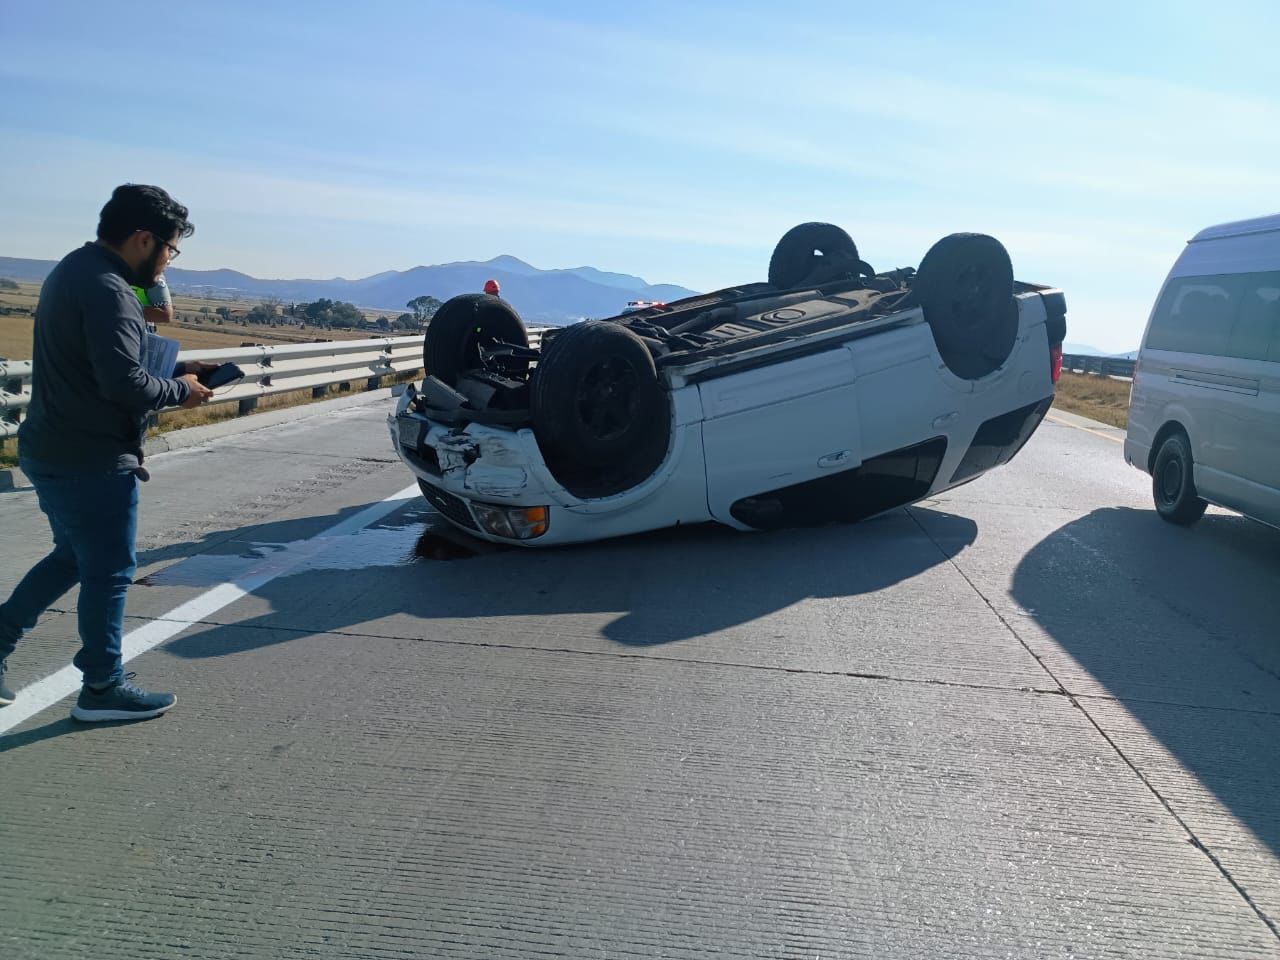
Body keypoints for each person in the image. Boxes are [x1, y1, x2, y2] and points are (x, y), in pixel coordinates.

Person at [0, 184, 215, 721]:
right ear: (143, 239)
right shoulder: (110, 289)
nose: (168, 259)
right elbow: (123, 385)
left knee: (72, 558)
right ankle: (101, 686)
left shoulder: (76, 268)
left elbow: (105, 367)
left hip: (52, 446)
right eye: (169, 248)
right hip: (89, 457)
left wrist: (175, 373)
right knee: (111, 570)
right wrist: (181, 392)